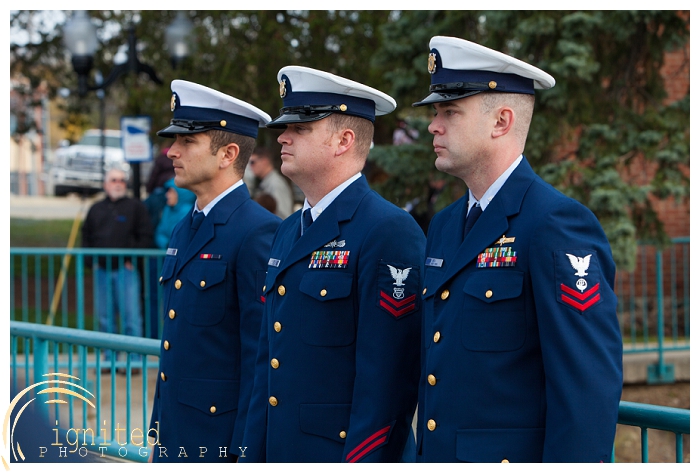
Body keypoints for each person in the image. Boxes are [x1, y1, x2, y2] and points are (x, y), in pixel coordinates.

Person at [412, 36, 623, 462]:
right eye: (436, 112)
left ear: (502, 121)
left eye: (450, 111)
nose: (434, 125)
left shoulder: (554, 224)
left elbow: (586, 390)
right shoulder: (446, 224)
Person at [240, 66, 426, 463]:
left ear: (344, 140)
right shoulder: (289, 230)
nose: (283, 137)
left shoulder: (388, 230)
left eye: (301, 129)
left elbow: (387, 385)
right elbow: (267, 368)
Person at [148, 79, 281, 463]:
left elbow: (260, 359)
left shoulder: (257, 231)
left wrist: (243, 454)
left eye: (187, 142)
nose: (172, 151)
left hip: (218, 443)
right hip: (176, 434)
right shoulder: (184, 226)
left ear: (228, 154)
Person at [81, 167, 153, 370]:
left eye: (122, 180)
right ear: (106, 184)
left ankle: (134, 360)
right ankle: (109, 359)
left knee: (131, 318)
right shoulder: (96, 209)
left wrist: (132, 259)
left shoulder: (135, 207)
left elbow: (146, 235)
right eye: (114, 180)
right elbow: (86, 236)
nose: (118, 183)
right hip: (102, 270)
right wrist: (91, 262)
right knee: (105, 318)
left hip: (126, 271)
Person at [248, 146, 294, 218]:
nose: (250, 166)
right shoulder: (268, 182)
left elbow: (283, 215)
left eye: (252, 162)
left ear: (264, 161)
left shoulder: (276, 184)